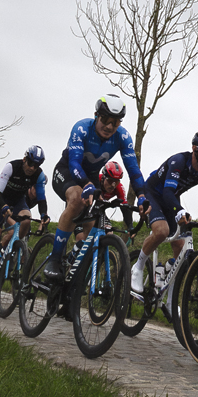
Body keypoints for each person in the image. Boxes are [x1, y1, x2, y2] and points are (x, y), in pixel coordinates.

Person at [44, 93, 148, 280]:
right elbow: (75, 163)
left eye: (115, 122)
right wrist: (87, 185)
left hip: (90, 176)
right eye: (105, 119)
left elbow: (134, 170)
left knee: (94, 228)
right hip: (68, 172)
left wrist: (141, 195)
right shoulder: (82, 128)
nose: (109, 126)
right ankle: (55, 258)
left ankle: (74, 278)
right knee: (77, 200)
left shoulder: (123, 137)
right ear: (96, 116)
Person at [131, 130, 198, 295]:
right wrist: (180, 211)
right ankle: (137, 267)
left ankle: (170, 299)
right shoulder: (179, 161)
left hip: (171, 198)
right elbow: (167, 192)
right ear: (195, 148)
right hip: (154, 193)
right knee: (162, 231)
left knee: (180, 248)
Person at [0, 146, 50, 307]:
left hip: (18, 201)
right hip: (0, 200)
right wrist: (4, 208)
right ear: (24, 159)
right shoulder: (11, 167)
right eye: (30, 163)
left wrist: (44, 216)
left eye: (36, 165)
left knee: (27, 220)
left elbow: (41, 199)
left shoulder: (38, 175)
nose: (32, 167)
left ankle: (11, 248)